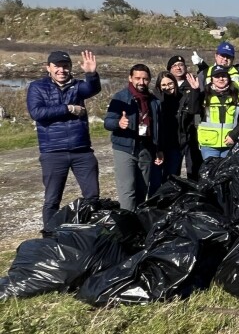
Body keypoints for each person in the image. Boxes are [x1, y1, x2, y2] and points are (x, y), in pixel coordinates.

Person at [28, 50, 102, 234]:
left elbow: (93, 89)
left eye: (65, 66)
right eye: (57, 66)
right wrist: (68, 108)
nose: (62, 70)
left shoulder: (77, 86)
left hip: (82, 150)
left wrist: (91, 74)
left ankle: (90, 235)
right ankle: (50, 238)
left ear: (70, 68)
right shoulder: (37, 87)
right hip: (53, 152)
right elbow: (37, 113)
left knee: (92, 196)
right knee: (52, 200)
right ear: (48, 68)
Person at [104, 64, 163, 211]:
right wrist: (118, 123)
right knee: (127, 192)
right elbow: (107, 122)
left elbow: (157, 128)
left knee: (142, 191)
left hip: (146, 149)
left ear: (149, 80)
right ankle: (128, 226)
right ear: (130, 78)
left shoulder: (154, 101)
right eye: (137, 78)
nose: (141, 82)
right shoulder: (120, 98)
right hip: (125, 149)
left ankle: (138, 225)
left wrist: (158, 149)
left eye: (145, 79)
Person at [186, 65, 239, 159]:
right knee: (211, 173)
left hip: (229, 144)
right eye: (217, 76)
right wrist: (195, 91)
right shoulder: (204, 94)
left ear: (228, 78)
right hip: (209, 145)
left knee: (226, 173)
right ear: (212, 79)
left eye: (224, 76)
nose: (221, 78)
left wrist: (234, 135)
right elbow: (193, 111)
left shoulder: (238, 96)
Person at [150, 71, 191, 192]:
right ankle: (154, 205)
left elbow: (194, 115)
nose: (167, 87)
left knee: (172, 178)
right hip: (158, 146)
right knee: (156, 179)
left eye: (170, 83)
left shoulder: (182, 98)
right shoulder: (155, 100)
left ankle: (169, 204)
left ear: (175, 83)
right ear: (159, 86)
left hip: (176, 145)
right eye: (164, 85)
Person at [167, 55, 202, 181]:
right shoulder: (166, 85)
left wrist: (198, 128)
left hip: (191, 133)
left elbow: (198, 110)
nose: (178, 68)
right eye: (174, 65)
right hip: (173, 135)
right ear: (169, 70)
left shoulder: (194, 83)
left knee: (194, 169)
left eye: (181, 65)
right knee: (172, 171)